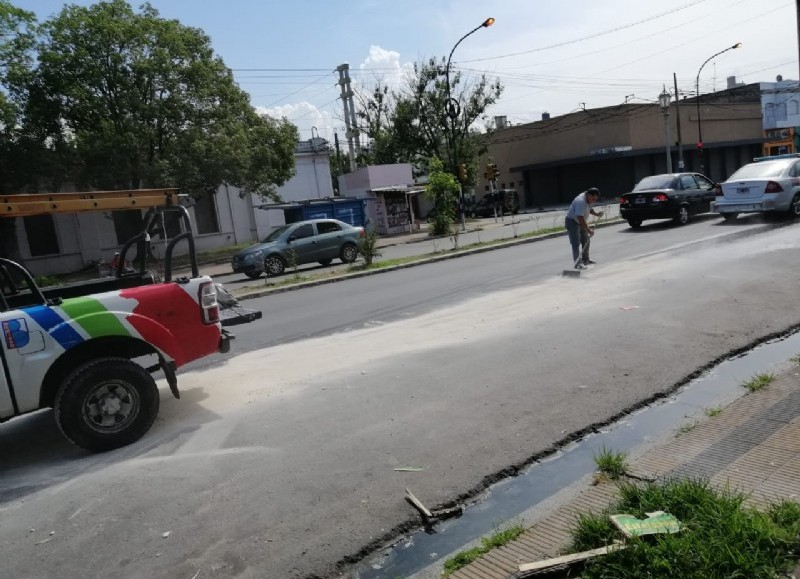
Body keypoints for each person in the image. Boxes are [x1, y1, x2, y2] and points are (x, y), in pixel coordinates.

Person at [565, 187, 604, 269]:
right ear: (589, 195)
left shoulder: (588, 199)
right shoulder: (581, 201)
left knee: (586, 240)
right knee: (576, 243)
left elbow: (589, 208)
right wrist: (589, 230)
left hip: (580, 221)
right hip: (572, 222)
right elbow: (580, 218)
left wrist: (597, 214)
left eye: (595, 200)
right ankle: (578, 264)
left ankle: (585, 260)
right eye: (593, 199)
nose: (593, 201)